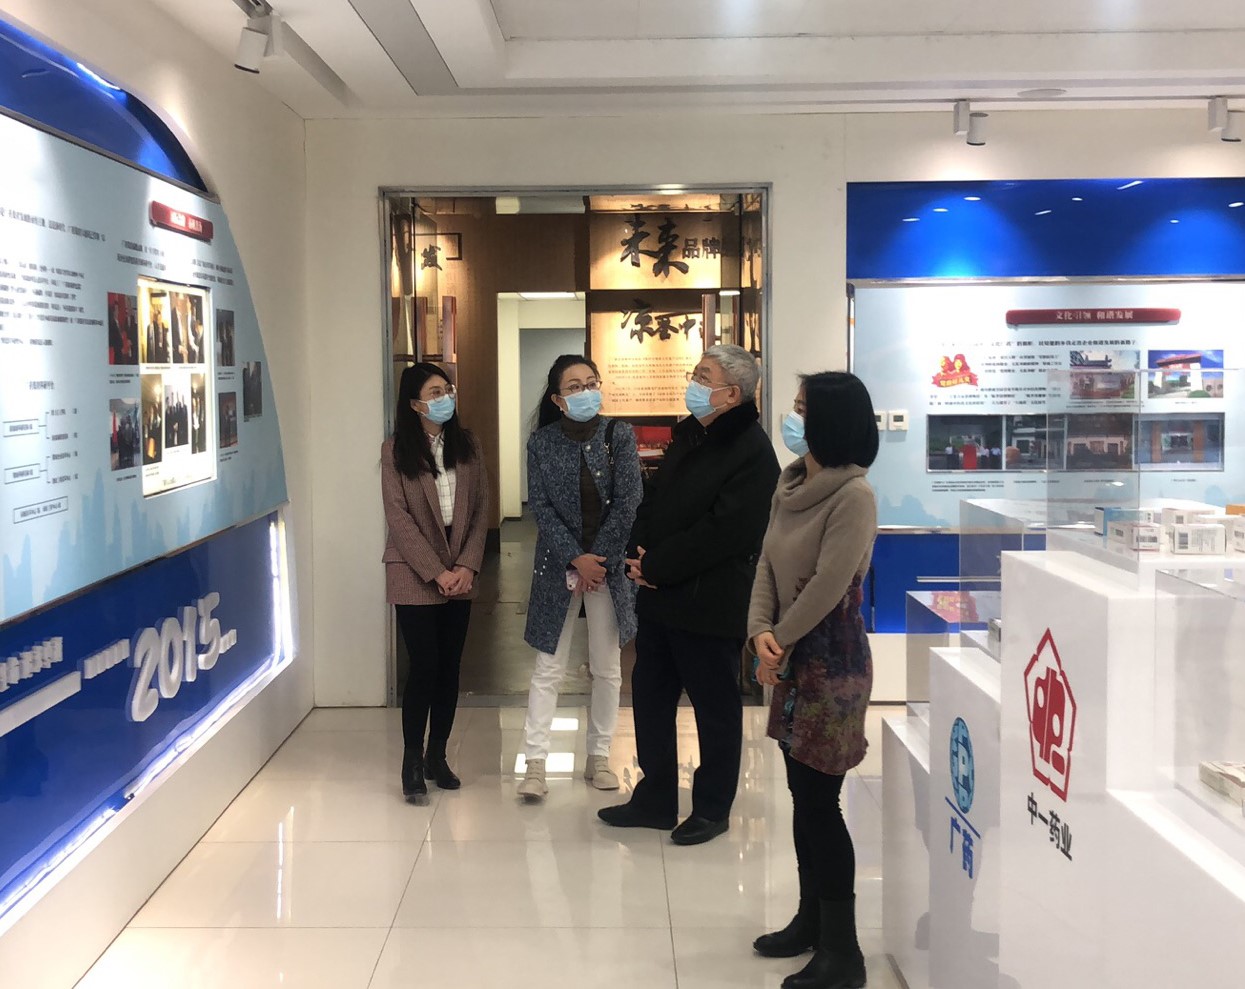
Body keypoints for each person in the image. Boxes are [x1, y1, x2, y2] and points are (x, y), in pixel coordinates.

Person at [598, 343, 779, 845]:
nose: (693, 384)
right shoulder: (691, 434)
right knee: (650, 698)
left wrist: (658, 565)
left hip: (709, 602)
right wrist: (639, 553)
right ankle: (655, 799)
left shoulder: (753, 452)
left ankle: (712, 808)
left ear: (732, 394)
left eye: (703, 377)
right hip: (660, 598)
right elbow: (653, 500)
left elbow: (725, 532)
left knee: (714, 709)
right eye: (695, 374)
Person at [749, 371, 879, 989]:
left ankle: (843, 951)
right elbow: (767, 563)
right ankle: (810, 921)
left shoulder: (854, 496)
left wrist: (779, 639)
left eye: (804, 409)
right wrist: (760, 631)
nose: (793, 418)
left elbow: (830, 585)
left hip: (830, 663)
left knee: (822, 804)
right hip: (789, 654)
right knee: (803, 798)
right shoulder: (791, 482)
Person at [517, 355, 643, 800]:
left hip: (606, 570)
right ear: (557, 399)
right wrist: (575, 557)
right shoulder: (541, 442)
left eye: (591, 382)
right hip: (558, 565)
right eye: (574, 386)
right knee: (548, 667)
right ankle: (535, 763)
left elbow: (629, 500)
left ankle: (599, 756)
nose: (586, 391)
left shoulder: (618, 434)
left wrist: (597, 561)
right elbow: (541, 507)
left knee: (607, 667)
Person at [381, 362, 488, 801]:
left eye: (447, 390)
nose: (445, 398)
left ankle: (437, 756)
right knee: (423, 665)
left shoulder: (468, 445)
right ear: (415, 403)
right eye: (435, 392)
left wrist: (466, 566)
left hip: (460, 567)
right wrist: (437, 571)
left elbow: (481, 508)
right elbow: (398, 519)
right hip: (413, 569)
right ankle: (411, 760)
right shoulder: (395, 450)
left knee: (449, 667)